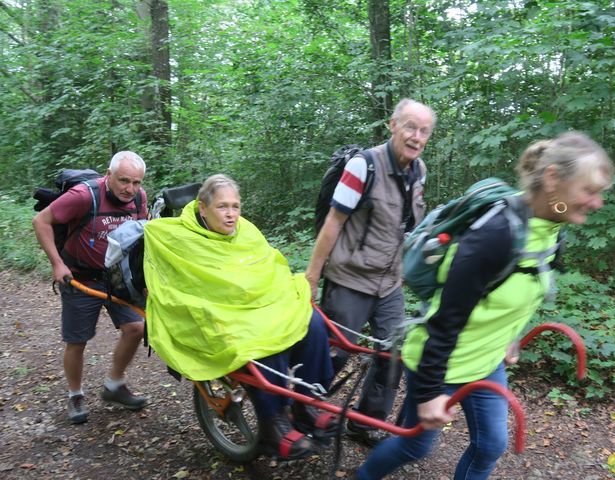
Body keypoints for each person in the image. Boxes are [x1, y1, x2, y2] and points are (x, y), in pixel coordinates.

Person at [354, 131, 614, 479]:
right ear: (552, 179)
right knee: (416, 444)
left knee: (491, 445)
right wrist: (431, 392)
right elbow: (445, 319)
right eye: (589, 190)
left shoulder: (554, 224)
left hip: (487, 360)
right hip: (441, 363)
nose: (597, 203)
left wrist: (508, 336)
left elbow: (512, 294)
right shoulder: (495, 235)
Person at [143, 174, 338, 460]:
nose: (231, 214)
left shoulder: (246, 230)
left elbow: (269, 266)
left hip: (262, 303)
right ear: (202, 208)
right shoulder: (173, 236)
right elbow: (172, 284)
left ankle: (307, 404)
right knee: (262, 340)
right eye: (222, 207)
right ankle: (274, 422)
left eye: (236, 206)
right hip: (221, 313)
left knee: (314, 323)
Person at [306, 98, 435, 446]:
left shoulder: (418, 171)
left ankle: (363, 425)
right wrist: (312, 276)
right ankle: (301, 409)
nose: (416, 136)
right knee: (335, 352)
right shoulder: (365, 166)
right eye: (410, 126)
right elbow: (334, 223)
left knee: (392, 355)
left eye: (424, 131)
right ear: (393, 125)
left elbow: (412, 226)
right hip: (349, 277)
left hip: (389, 283)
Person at [32, 151, 149, 424]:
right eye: (123, 181)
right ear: (108, 175)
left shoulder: (139, 199)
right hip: (80, 279)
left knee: (136, 328)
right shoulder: (84, 196)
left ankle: (114, 386)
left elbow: (141, 236)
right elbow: (41, 221)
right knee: (77, 340)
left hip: (118, 277)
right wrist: (57, 264)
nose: (129, 189)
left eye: (136, 182)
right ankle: (75, 394)